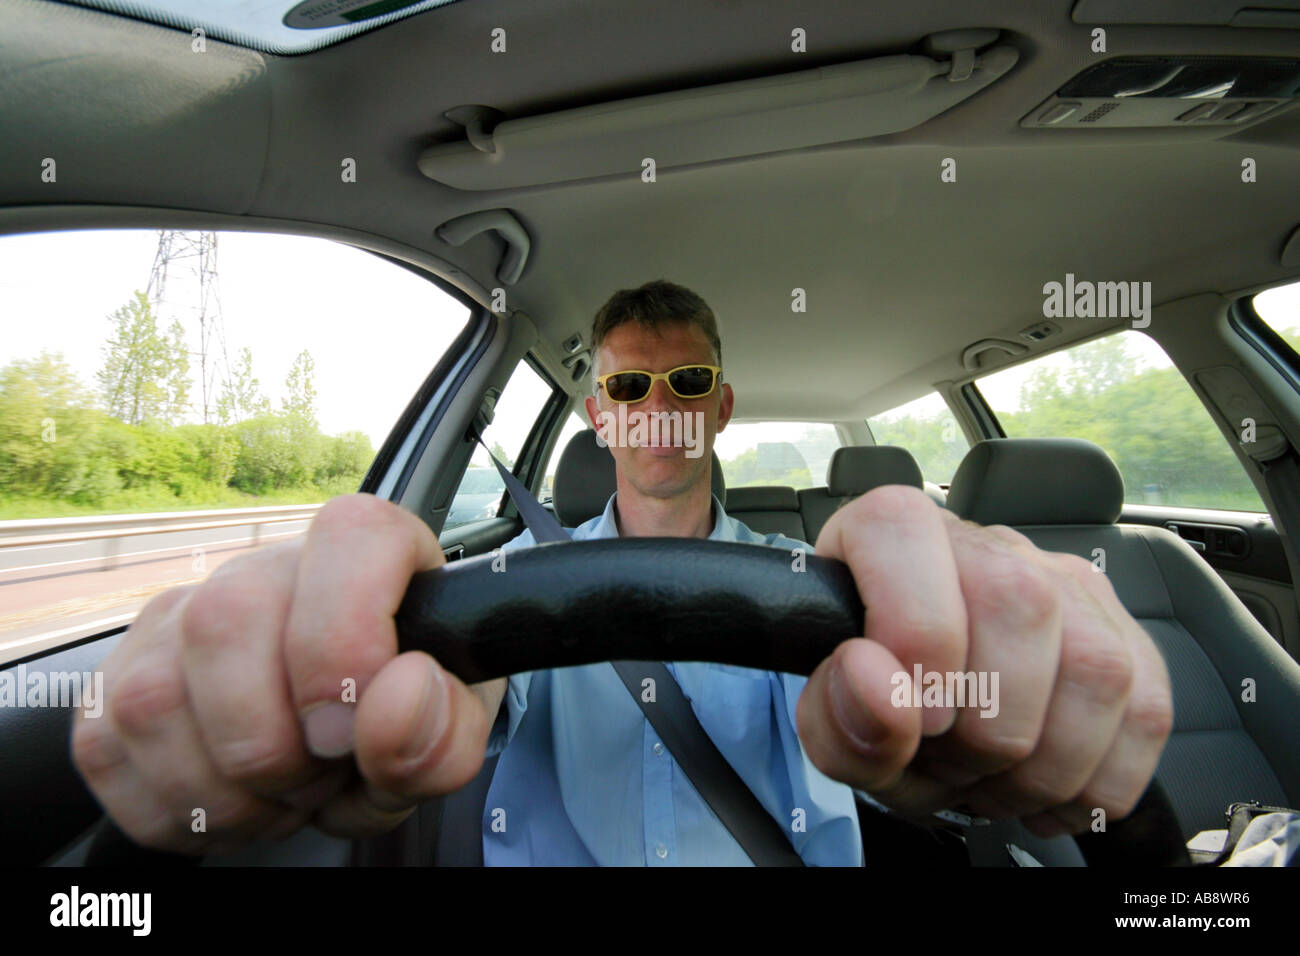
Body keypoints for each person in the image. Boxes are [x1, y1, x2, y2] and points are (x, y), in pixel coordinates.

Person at [71, 280, 1173, 865]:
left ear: (720, 404)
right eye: (627, 388)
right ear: (599, 410)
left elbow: (928, 685)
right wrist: (308, 658)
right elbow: (451, 688)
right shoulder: (495, 590)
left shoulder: (846, 592)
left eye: (685, 379)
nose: (657, 409)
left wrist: (1011, 654)